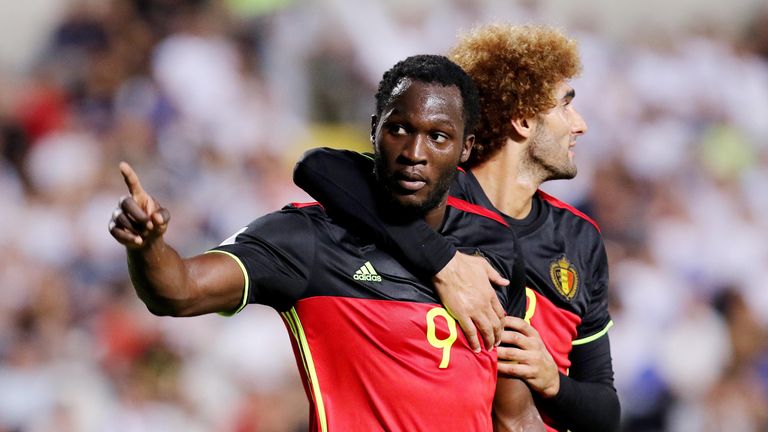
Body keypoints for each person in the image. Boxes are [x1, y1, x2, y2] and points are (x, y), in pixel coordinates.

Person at [109, 54, 544, 431]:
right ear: (374, 130)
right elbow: (178, 291)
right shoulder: (307, 240)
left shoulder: (495, 250)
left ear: (466, 148)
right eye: (399, 129)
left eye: (438, 136)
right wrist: (146, 245)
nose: (414, 151)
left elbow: (514, 416)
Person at [293, 25, 620, 432]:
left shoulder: (580, 237)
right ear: (522, 119)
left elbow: (606, 411)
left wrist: (554, 381)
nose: (580, 124)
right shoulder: (431, 197)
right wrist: (443, 260)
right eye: (564, 107)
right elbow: (318, 166)